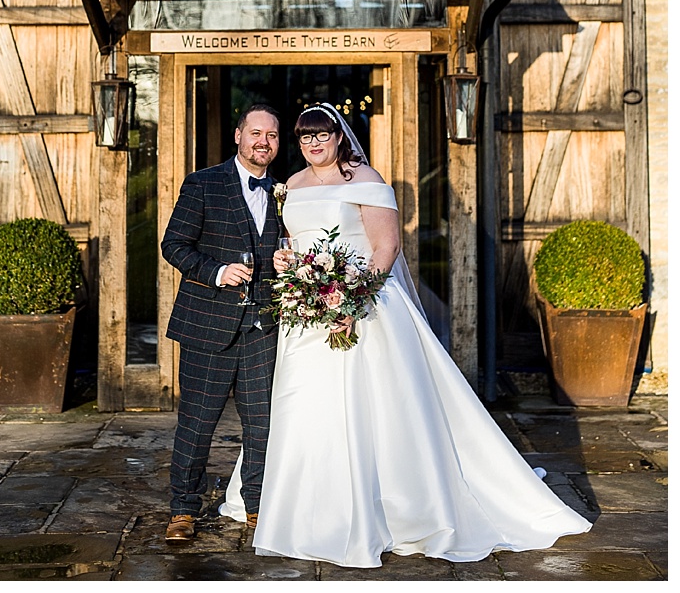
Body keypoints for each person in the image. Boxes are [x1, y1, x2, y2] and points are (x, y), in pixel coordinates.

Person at [223, 103, 590, 566]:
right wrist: (285, 261)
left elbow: (386, 246)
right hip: (306, 314)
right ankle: (305, 504)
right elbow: (295, 243)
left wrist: (352, 302)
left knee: (377, 407)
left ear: (339, 137)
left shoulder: (367, 181)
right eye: (304, 137)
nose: (314, 143)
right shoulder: (291, 186)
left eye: (322, 135)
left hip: (364, 304)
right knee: (304, 403)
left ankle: (398, 508)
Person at [158, 103, 284, 543]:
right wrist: (216, 272)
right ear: (238, 135)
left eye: (271, 135)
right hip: (207, 325)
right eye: (255, 133)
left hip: (262, 328)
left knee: (262, 426)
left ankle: (257, 508)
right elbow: (173, 245)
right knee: (196, 424)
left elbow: (280, 250)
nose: (262, 142)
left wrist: (284, 260)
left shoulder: (286, 192)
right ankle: (183, 511)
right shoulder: (203, 184)